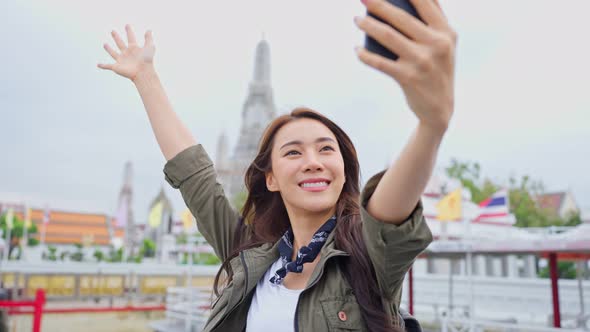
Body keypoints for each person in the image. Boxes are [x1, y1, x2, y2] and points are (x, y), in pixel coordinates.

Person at [98, 0, 456, 330]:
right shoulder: (251, 256)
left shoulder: (367, 256)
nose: (313, 162)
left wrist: (431, 124)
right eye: (293, 152)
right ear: (270, 178)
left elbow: (391, 213)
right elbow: (195, 175)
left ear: (343, 169)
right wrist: (146, 78)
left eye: (326, 149)